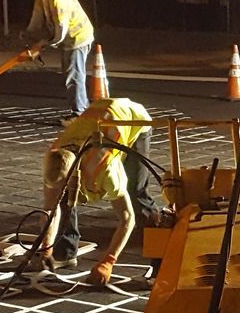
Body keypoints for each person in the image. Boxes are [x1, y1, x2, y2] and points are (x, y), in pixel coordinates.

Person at [31, 95, 170, 286]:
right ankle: (64, 251)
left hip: (133, 120)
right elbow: (51, 209)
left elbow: (127, 219)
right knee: (64, 200)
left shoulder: (105, 168)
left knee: (136, 194)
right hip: (99, 116)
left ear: (76, 175)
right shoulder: (55, 159)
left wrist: (108, 261)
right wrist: (46, 247)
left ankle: (161, 263)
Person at [21, 0, 95, 115]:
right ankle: (80, 110)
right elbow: (38, 15)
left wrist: (45, 43)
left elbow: (61, 27)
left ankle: (80, 114)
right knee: (71, 74)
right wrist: (29, 36)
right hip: (68, 37)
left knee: (74, 76)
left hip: (77, 37)